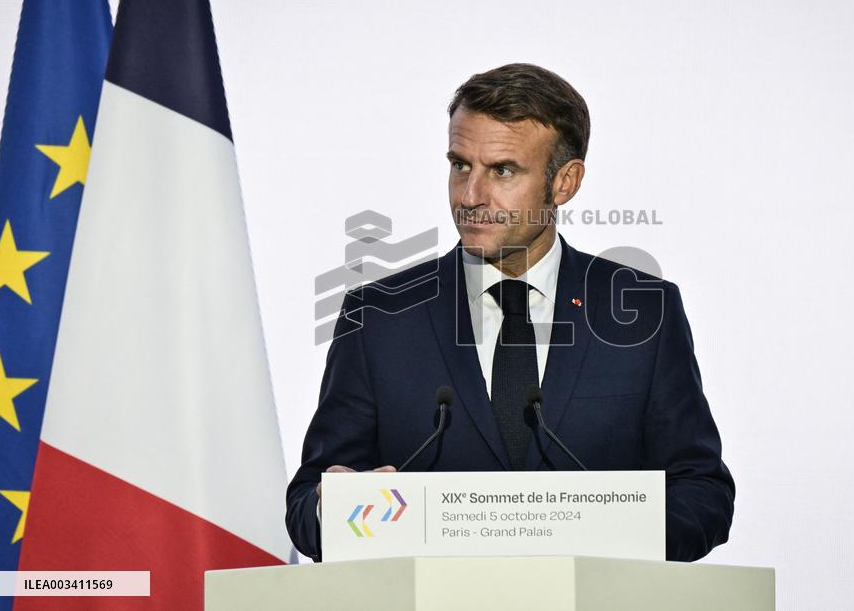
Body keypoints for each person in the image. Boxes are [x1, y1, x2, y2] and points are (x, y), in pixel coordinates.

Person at [286, 63, 734, 562]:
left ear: (564, 182)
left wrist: (603, 529)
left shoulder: (644, 312)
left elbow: (704, 496)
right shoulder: (379, 316)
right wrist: (337, 506)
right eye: (460, 165)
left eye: (502, 170)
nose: (471, 196)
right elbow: (307, 506)